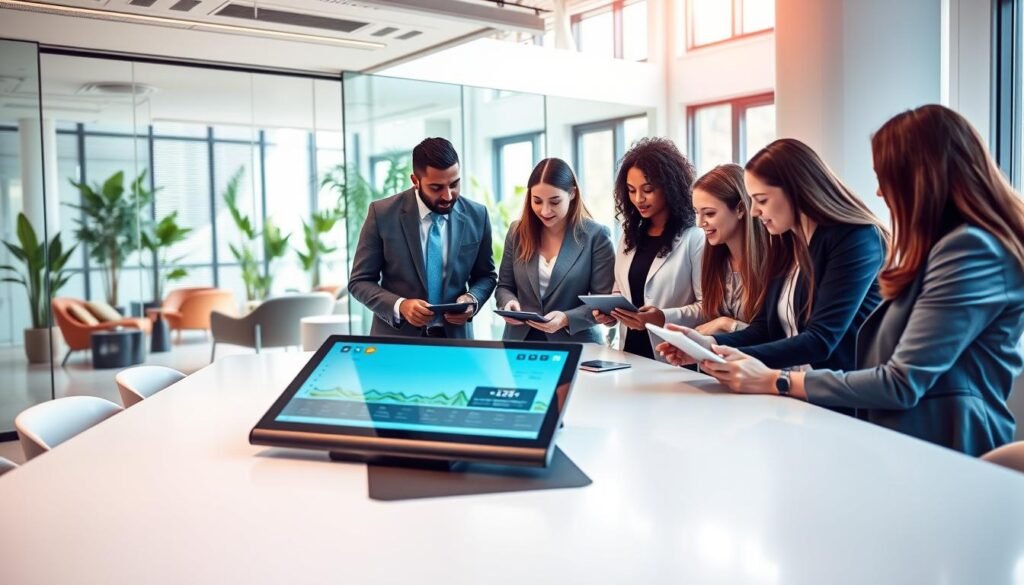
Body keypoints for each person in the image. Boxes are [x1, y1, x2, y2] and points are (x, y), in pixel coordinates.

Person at [679, 105, 1024, 456]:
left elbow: (899, 381)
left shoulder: (969, 250)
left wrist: (774, 380)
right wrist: (711, 348)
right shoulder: (944, 248)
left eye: (885, 178)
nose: (878, 193)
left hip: (950, 443)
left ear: (922, 177)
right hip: (910, 437)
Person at [658, 138, 888, 373]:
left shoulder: (856, 239)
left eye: (762, 200)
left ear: (796, 191)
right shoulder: (786, 241)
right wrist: (709, 344)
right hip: (792, 391)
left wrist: (727, 356)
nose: (755, 211)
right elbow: (765, 330)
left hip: (840, 401)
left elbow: (821, 341)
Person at [348, 137, 496, 339]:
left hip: (456, 343)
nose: (448, 196)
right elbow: (360, 281)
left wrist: (472, 299)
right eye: (436, 187)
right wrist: (400, 306)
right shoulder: (382, 214)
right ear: (415, 181)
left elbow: (486, 276)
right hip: (399, 343)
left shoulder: (477, 215)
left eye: (454, 184)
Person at [592, 137, 704, 360]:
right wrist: (611, 313)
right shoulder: (629, 236)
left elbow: (708, 307)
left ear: (670, 187)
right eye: (631, 190)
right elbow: (620, 290)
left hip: (673, 359)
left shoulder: (695, 238)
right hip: (630, 355)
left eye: (648, 190)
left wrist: (662, 317)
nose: (638, 199)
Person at [495, 158, 615, 343]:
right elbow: (504, 286)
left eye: (554, 201)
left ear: (572, 194)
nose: (545, 211)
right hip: (520, 343)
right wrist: (508, 302)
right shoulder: (517, 232)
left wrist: (567, 318)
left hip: (575, 344)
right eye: (537, 201)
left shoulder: (596, 236)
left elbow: (603, 303)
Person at [690, 163, 769, 335]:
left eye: (709, 213)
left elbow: (774, 338)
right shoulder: (716, 261)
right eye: (696, 212)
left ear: (740, 209)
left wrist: (727, 324)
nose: (699, 223)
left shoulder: (772, 264)